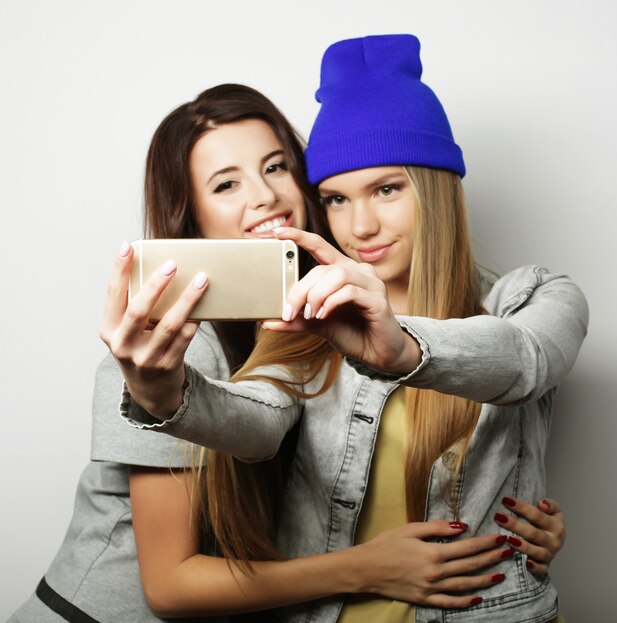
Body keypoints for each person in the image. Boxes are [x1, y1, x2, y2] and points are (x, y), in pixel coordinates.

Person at [10, 82, 563, 623]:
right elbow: (170, 585)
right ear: (191, 216)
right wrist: (159, 394)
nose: (266, 196)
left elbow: (519, 362)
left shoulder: (316, 319)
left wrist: (509, 509)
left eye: (276, 167)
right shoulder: (175, 346)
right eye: (226, 185)